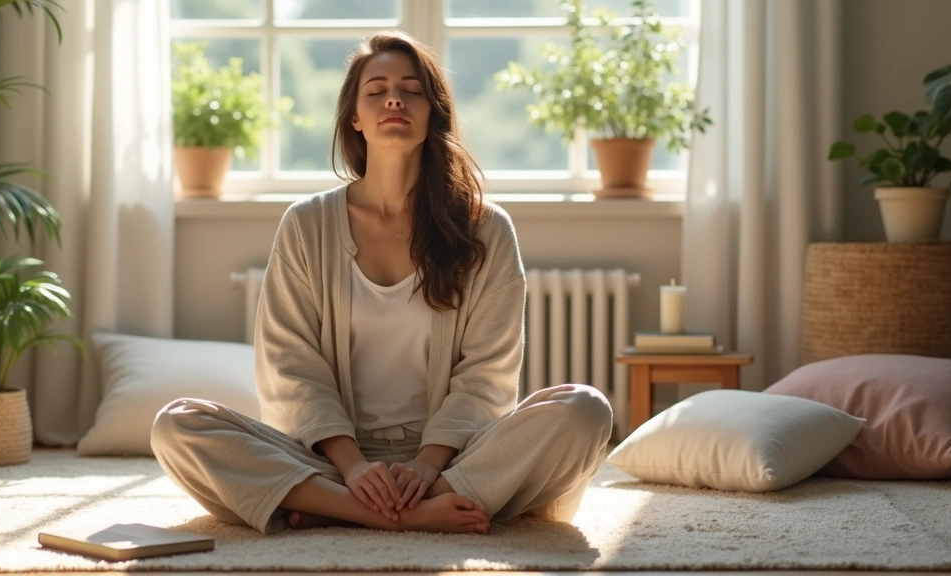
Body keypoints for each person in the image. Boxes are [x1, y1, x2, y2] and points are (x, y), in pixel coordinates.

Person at [152, 30, 612, 535]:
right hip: (330, 460)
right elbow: (290, 367)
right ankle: (398, 512)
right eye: (376, 90)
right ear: (355, 116)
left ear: (432, 112)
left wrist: (425, 466)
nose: (394, 97)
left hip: (452, 458)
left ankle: (342, 507)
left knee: (584, 410)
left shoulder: (486, 228)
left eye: (411, 89)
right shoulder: (307, 224)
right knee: (177, 425)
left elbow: (488, 374)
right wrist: (353, 467)